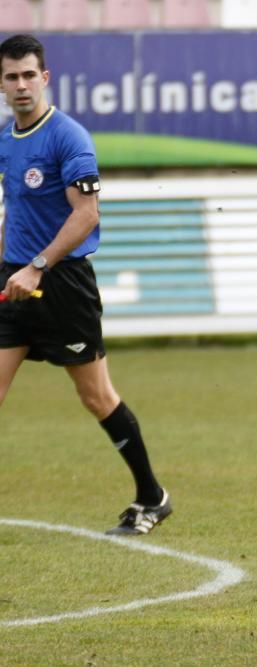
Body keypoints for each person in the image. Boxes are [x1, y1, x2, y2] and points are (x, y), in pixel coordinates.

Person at [0, 34, 171, 536]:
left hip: (63, 284)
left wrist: (36, 265)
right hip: (15, 279)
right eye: (12, 76)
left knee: (97, 397)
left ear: (45, 78)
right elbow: (15, 211)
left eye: (30, 74)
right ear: (2, 84)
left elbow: (86, 214)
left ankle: (152, 496)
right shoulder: (6, 139)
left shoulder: (69, 137)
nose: (21, 84)